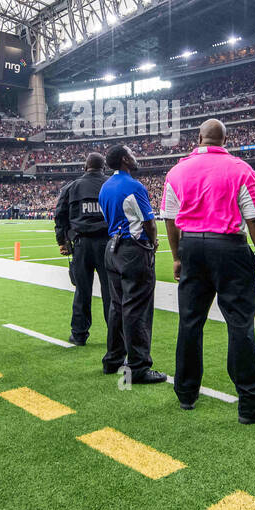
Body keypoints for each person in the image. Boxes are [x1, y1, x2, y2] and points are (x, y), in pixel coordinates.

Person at [160, 118, 255, 425]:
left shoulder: (176, 171)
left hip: (191, 248)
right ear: (224, 140)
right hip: (229, 248)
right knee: (239, 324)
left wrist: (177, 256)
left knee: (190, 322)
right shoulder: (241, 169)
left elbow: (170, 220)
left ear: (198, 138)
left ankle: (186, 393)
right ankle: (251, 403)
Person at [97, 145, 166, 384]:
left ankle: (113, 359)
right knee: (137, 308)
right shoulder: (134, 186)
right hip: (133, 250)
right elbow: (149, 222)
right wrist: (153, 242)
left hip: (112, 249)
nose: (136, 157)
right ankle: (137, 367)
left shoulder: (105, 186)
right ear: (125, 159)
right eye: (132, 154)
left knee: (117, 306)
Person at [53, 152, 110, 346]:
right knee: (110, 291)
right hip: (107, 244)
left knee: (82, 291)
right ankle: (115, 336)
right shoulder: (111, 184)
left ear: (85, 167)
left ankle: (79, 334)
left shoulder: (71, 187)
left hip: (81, 244)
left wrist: (62, 241)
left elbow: (60, 215)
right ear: (104, 168)